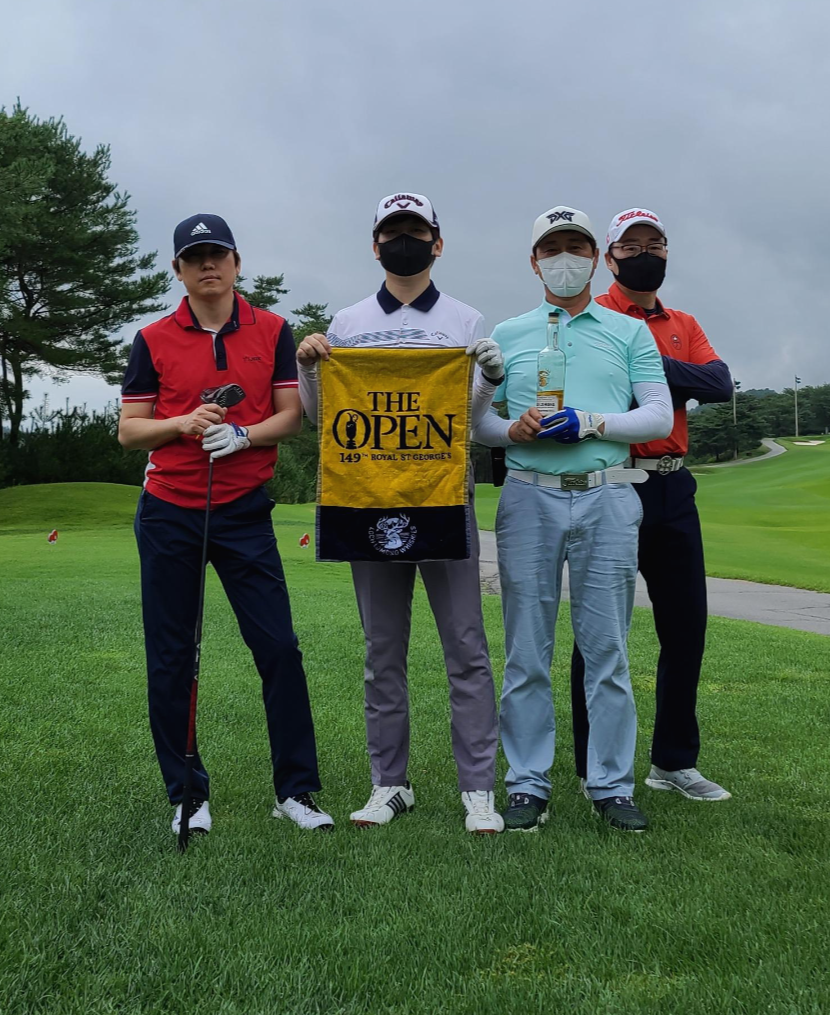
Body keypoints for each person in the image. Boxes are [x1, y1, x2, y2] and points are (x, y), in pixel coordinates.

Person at [296, 192, 506, 834]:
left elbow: (467, 420)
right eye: (392, 233)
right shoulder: (349, 321)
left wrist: (488, 381)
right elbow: (321, 416)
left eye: (415, 231)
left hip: (445, 497)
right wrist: (308, 370)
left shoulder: (465, 319)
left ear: (437, 243)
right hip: (369, 500)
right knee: (382, 649)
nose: (403, 242)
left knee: (466, 647)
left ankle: (478, 788)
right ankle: (390, 783)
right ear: (375, 245)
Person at [120, 213, 333, 837]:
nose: (207, 265)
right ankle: (187, 795)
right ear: (178, 270)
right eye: (195, 258)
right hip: (169, 511)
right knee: (172, 656)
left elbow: (291, 416)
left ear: (237, 263)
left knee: (279, 648)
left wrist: (243, 435)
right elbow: (130, 430)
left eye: (218, 255)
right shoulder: (152, 338)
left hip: (243, 511)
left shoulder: (272, 329)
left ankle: (295, 791)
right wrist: (180, 423)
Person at [474, 207, 673, 833]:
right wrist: (513, 429)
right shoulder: (507, 333)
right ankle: (526, 783)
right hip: (528, 494)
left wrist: (590, 422)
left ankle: (610, 784)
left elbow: (659, 416)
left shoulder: (629, 331)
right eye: (552, 248)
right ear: (535, 262)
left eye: (577, 247)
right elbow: (479, 423)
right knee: (526, 648)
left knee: (607, 648)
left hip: (607, 494)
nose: (566, 258)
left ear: (595, 258)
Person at [569, 207, 734, 803]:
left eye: (655, 244)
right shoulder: (593, 314)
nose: (646, 253)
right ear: (610, 257)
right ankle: (593, 765)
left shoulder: (682, 321)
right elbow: (596, 380)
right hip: (612, 482)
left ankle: (673, 761)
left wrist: (638, 364)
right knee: (599, 633)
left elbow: (719, 384)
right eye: (632, 245)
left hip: (673, 485)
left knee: (686, 627)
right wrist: (674, 376)